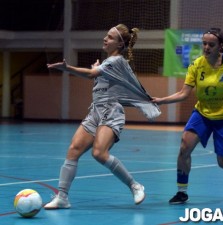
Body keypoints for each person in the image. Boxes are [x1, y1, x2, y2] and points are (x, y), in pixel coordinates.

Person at [44, 24, 161, 209]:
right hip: (95, 112)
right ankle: (62, 197)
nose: (105, 39)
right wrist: (98, 70)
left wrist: (67, 68)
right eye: (106, 36)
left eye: (110, 37)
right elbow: (98, 75)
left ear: (120, 45)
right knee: (74, 149)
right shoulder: (109, 64)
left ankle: (135, 185)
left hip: (111, 112)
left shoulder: (117, 62)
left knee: (99, 153)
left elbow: (91, 74)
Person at [152, 26, 223, 204]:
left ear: (219, 46)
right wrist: (162, 100)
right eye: (204, 44)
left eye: (211, 44)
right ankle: (182, 192)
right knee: (184, 147)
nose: (206, 47)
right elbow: (183, 93)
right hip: (202, 114)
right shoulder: (196, 65)